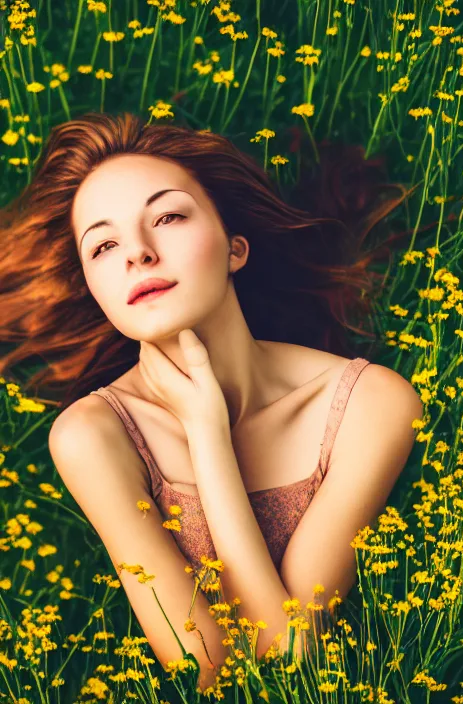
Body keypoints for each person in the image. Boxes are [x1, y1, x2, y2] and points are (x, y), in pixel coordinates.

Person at [0, 112, 423, 692]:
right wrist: (206, 430)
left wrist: (209, 435)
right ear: (97, 290)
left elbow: (288, 653)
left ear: (235, 249)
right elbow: (210, 669)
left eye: (168, 216)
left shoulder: (370, 403)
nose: (138, 254)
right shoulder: (94, 437)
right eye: (103, 245)